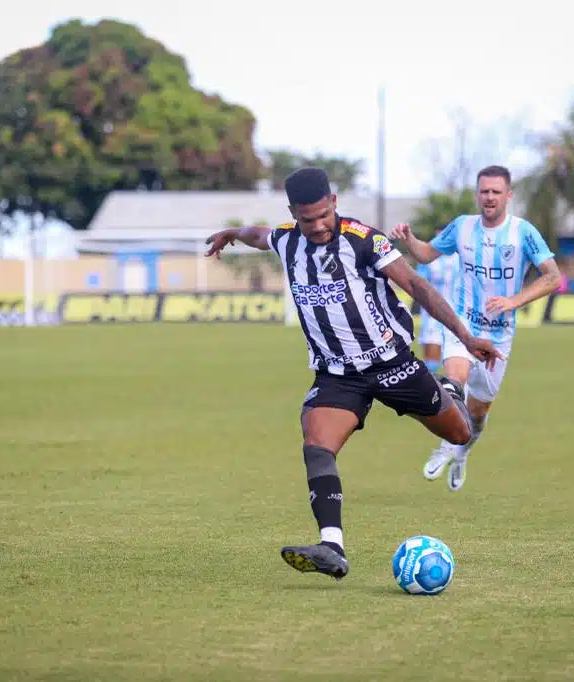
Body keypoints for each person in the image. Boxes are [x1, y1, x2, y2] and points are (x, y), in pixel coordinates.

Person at [203, 167, 500, 581]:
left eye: (325, 215)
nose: (319, 225)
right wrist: (233, 233)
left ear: (335, 203)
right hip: (338, 375)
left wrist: (466, 339)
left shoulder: (364, 240)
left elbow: (417, 286)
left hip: (392, 362)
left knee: (459, 433)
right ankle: (331, 546)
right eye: (308, 220)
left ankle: (449, 385)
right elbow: (261, 234)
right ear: (294, 214)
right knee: (316, 443)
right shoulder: (288, 238)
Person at [390, 165, 561, 492]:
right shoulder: (463, 228)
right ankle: (445, 445)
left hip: (499, 336)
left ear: (508, 195)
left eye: (497, 192)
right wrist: (409, 238)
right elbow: (426, 255)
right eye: (484, 191)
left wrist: (514, 301)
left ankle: (462, 452)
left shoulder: (523, 232)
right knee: (454, 379)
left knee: (478, 414)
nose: (490, 197)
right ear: (477, 194)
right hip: (462, 323)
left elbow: (553, 277)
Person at [415, 253, 460, 373]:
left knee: (457, 360)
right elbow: (418, 284)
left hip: (458, 315)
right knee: (431, 359)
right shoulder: (428, 258)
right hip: (432, 315)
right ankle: (432, 387)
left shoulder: (463, 256)